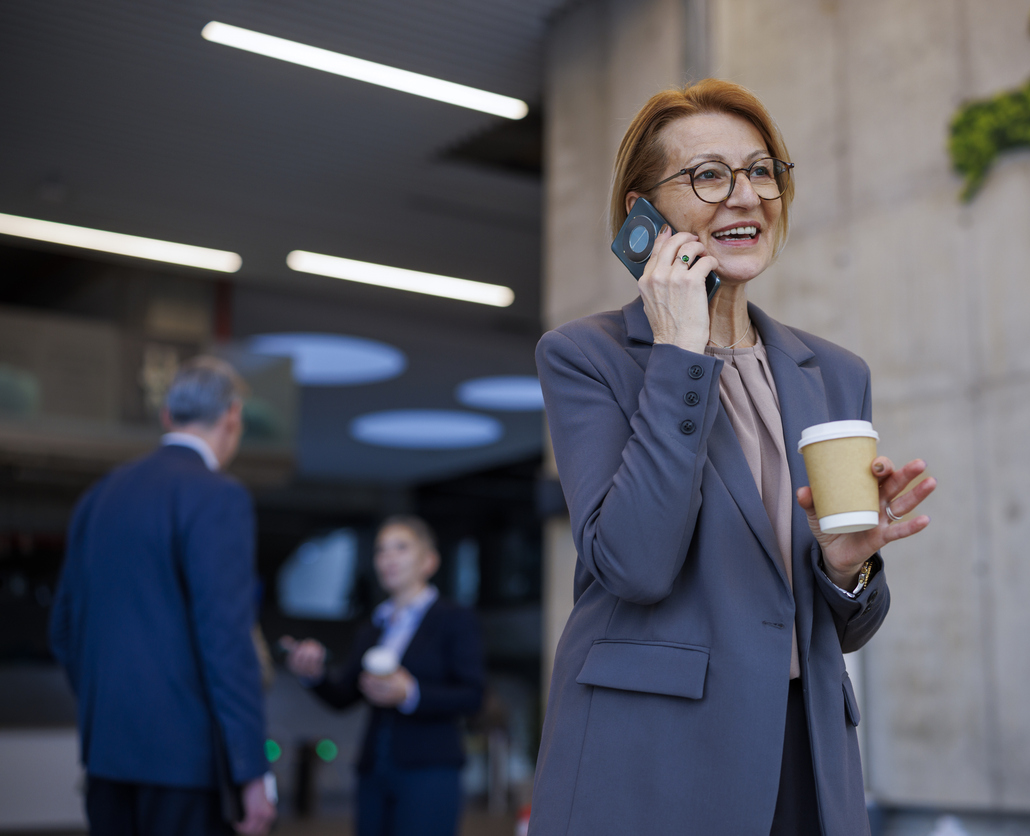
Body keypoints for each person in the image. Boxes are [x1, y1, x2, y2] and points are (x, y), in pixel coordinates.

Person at [529, 79, 938, 836]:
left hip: (803, 749)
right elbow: (635, 564)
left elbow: (841, 627)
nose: (745, 196)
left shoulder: (834, 371)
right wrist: (681, 350)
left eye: (761, 171)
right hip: (653, 756)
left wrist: (846, 569)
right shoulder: (587, 357)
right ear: (641, 215)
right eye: (708, 175)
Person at [49, 356, 276, 836]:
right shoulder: (218, 496)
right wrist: (250, 767)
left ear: (167, 416)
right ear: (232, 416)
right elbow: (226, 640)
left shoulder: (99, 495)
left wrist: (111, 709)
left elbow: (64, 628)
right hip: (186, 765)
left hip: (106, 755)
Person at [281, 516, 485, 836]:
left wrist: (411, 693)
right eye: (381, 551)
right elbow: (344, 696)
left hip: (430, 771)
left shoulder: (454, 619)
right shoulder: (372, 627)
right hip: (375, 770)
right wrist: (314, 675)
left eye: (401, 548)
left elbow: (473, 696)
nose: (388, 558)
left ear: (429, 561)